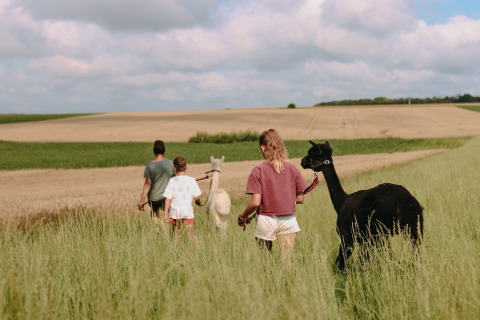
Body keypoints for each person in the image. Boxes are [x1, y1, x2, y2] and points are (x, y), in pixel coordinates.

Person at [238, 129, 308, 266]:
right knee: (288, 262)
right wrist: (285, 199)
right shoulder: (292, 169)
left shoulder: (258, 171)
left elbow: (255, 203)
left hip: (265, 220)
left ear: (262, 148)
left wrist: (243, 216)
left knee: (264, 262)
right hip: (288, 220)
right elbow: (300, 199)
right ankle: (288, 286)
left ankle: (268, 286)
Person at [163, 156, 202, 242]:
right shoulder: (192, 180)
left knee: (176, 235)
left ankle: (176, 253)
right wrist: (198, 201)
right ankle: (197, 251)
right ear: (186, 167)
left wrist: (166, 213)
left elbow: (168, 198)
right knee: (191, 235)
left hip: (175, 212)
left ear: (174, 168)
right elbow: (196, 197)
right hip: (187, 212)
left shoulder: (172, 181)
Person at [138, 140, 175, 226]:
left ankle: (157, 231)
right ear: (164, 152)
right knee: (167, 214)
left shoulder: (149, 165)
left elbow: (147, 184)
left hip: (154, 197)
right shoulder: (171, 164)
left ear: (154, 152)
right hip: (167, 196)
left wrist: (142, 200)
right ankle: (168, 234)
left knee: (154, 213)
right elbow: (175, 179)